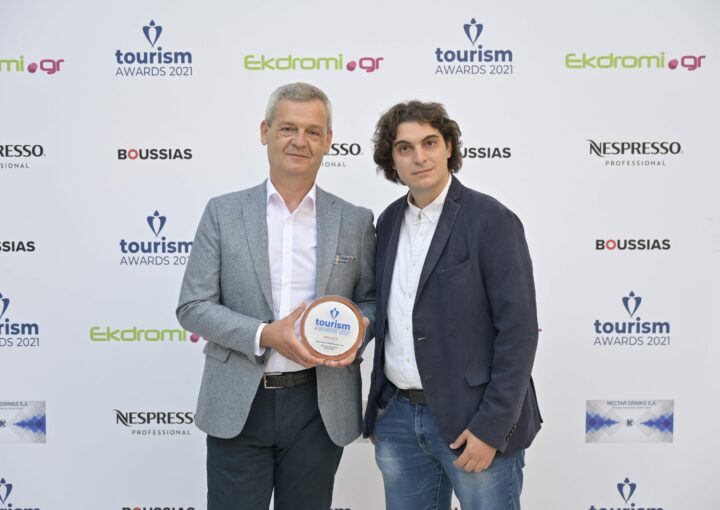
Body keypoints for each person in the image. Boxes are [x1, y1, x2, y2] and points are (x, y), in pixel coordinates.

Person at [177, 82, 375, 510]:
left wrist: (360, 326)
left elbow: (371, 302)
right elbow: (193, 306)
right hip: (239, 402)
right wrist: (266, 334)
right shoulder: (223, 212)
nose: (300, 141)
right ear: (265, 132)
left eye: (313, 131)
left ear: (328, 141)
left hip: (319, 407)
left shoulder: (355, 220)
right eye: (288, 128)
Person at [363, 101, 541, 509]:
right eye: (405, 148)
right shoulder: (388, 222)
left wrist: (491, 427)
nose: (419, 157)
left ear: (448, 147)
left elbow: (518, 332)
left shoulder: (491, 220)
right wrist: (382, 412)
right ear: (392, 159)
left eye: (429, 142)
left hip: (473, 422)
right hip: (398, 418)